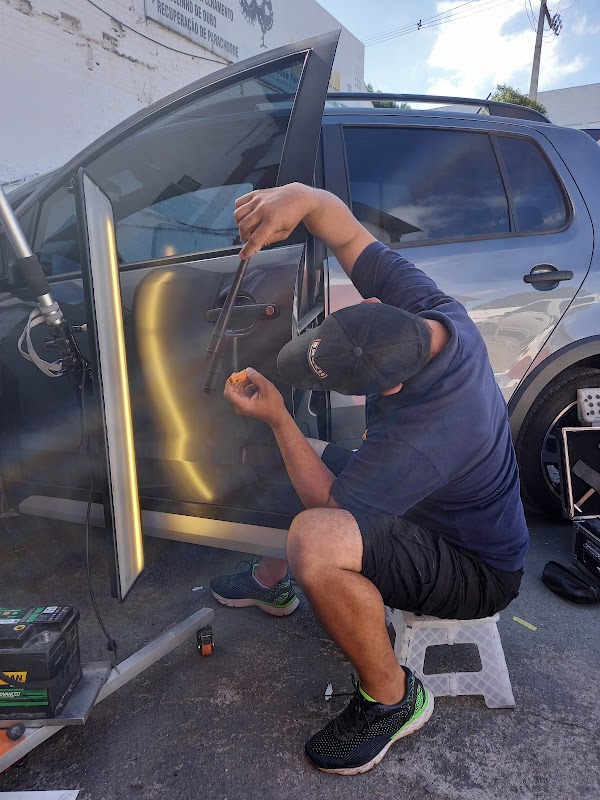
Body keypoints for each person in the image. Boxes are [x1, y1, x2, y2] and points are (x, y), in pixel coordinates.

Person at [209, 183, 529, 776]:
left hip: (475, 567)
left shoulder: (429, 432)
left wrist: (280, 416)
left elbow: (326, 509)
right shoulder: (434, 314)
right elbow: (343, 225)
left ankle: (392, 698)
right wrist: (292, 201)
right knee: (308, 455)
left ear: (389, 391)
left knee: (316, 538)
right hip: (433, 510)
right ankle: (271, 584)